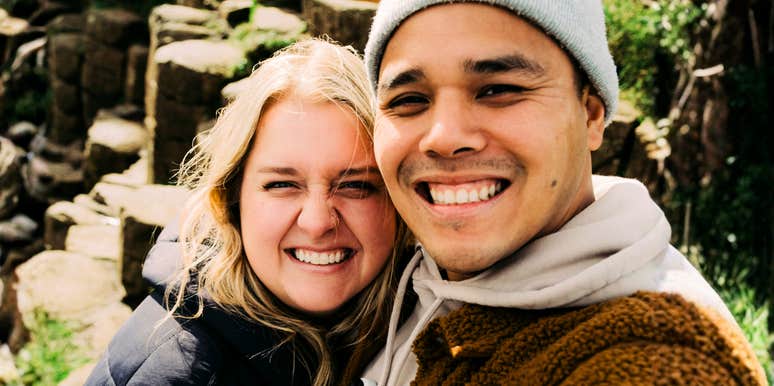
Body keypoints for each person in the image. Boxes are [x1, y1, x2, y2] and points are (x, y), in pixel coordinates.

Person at [360, 1, 767, 385]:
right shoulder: (384, 286)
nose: (444, 137)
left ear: (591, 113)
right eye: (409, 100)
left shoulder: (661, 355)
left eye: (498, 89)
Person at [85, 38, 410, 386]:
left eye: (355, 186)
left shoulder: (420, 330)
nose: (317, 223)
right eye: (282, 185)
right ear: (231, 200)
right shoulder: (174, 371)